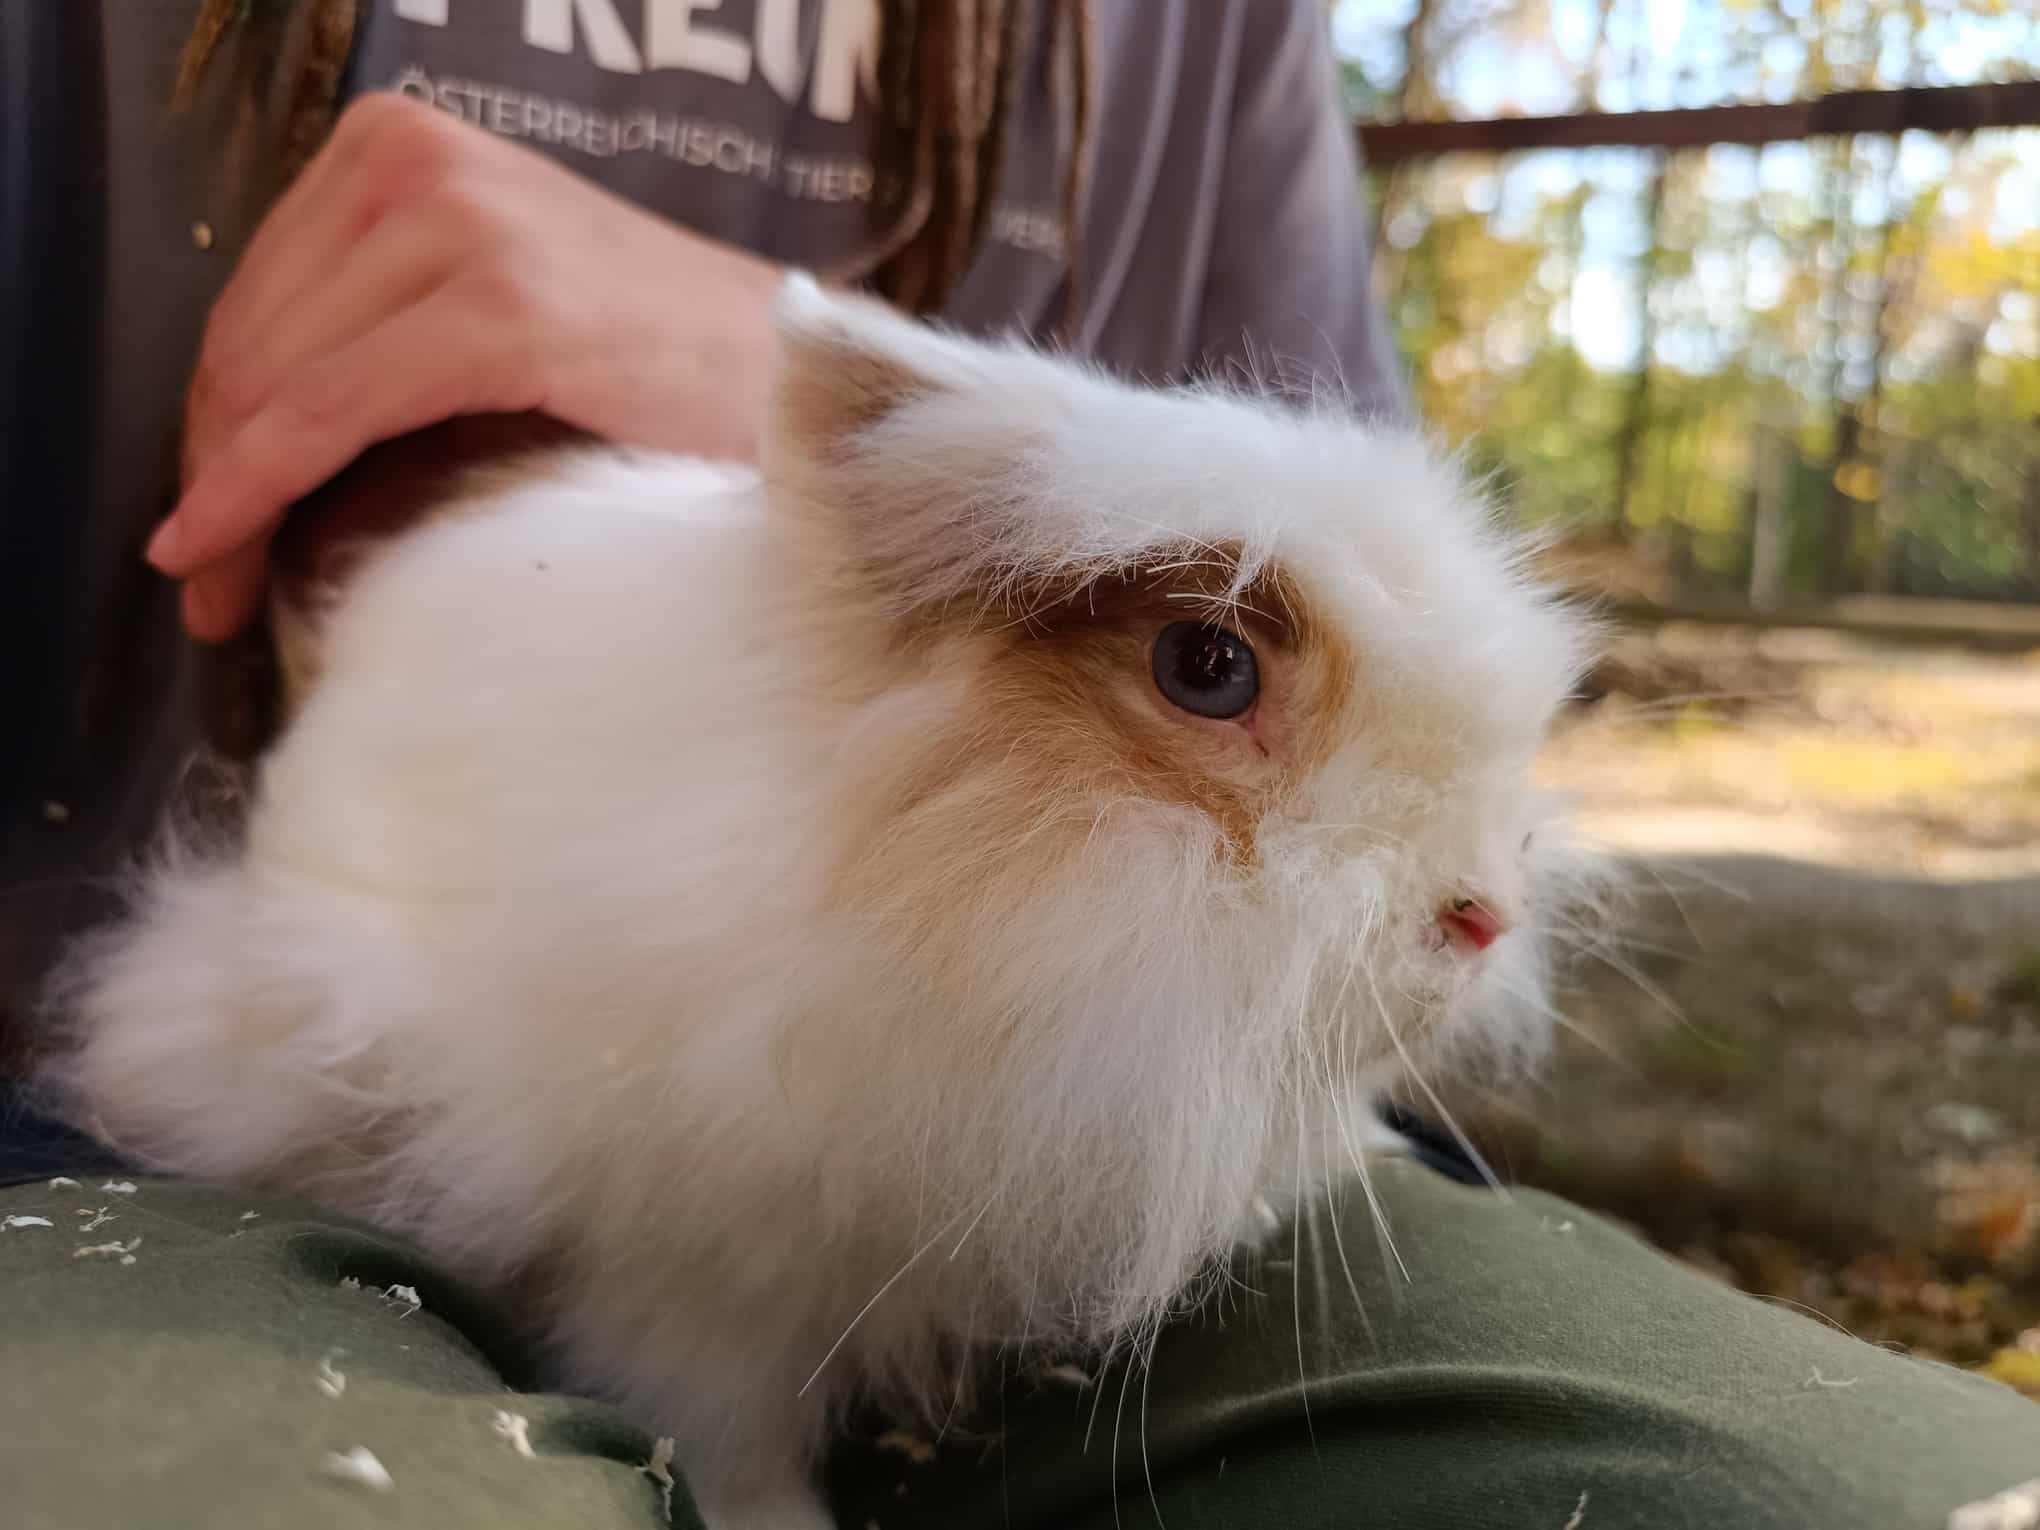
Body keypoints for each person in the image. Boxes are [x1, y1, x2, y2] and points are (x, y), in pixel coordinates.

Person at [2, 6, 2035, 1529]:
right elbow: (647, 1175)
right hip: (147, 1203)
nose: (1492, 904)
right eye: (1212, 673)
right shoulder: (731, 889)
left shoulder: (1191, 39)